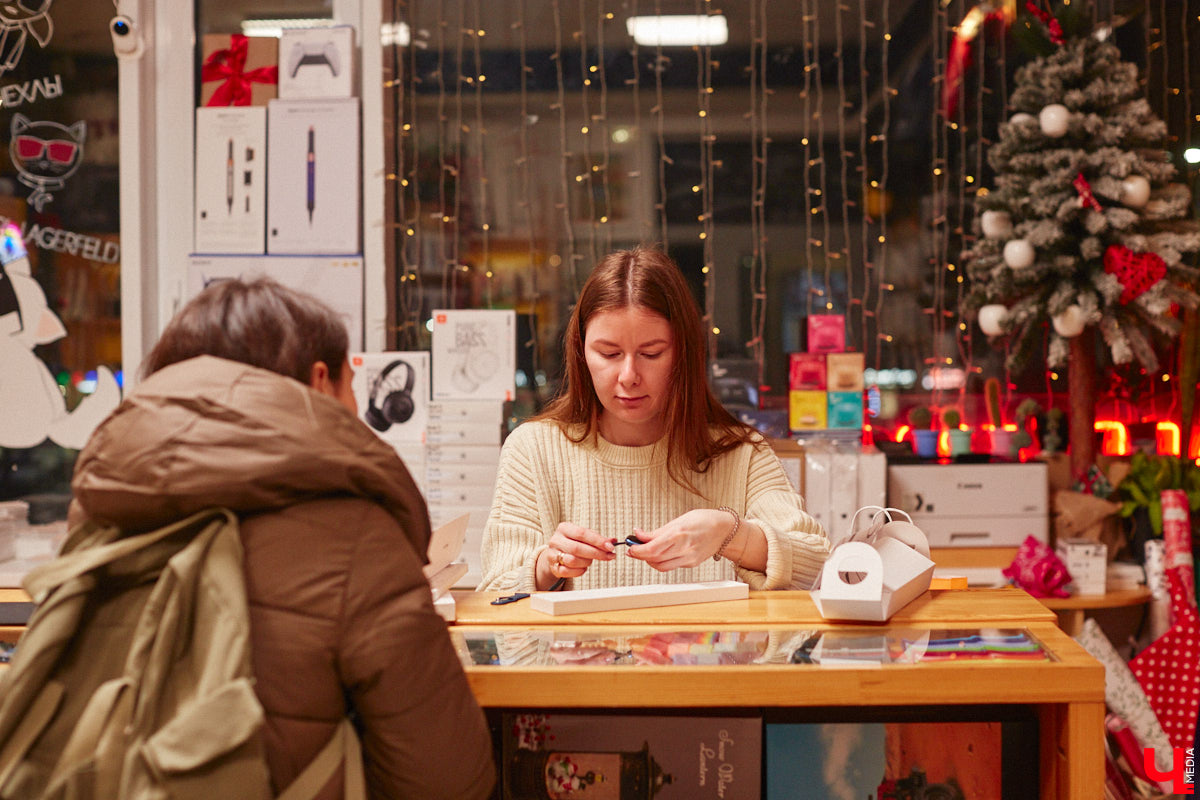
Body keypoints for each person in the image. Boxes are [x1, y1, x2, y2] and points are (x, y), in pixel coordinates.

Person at [67, 278, 495, 799]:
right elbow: (447, 779)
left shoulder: (103, 502)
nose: (360, 412)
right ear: (320, 382)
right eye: (351, 386)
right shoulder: (353, 532)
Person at [479, 247, 830, 593]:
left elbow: (817, 567)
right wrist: (547, 566)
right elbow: (495, 591)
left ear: (684, 353)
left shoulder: (741, 455)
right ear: (580, 351)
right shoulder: (534, 449)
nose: (629, 375)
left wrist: (730, 534)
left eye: (651, 353)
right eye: (609, 353)